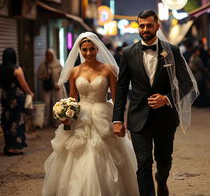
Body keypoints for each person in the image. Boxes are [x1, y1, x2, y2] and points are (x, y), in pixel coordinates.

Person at [113, 10, 198, 196]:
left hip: (165, 117)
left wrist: (167, 98)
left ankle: (161, 179)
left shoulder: (172, 51)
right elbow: (121, 87)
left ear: (157, 26)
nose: (145, 29)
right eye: (141, 25)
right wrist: (117, 119)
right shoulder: (127, 53)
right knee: (143, 163)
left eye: (149, 25)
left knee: (164, 159)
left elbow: (187, 83)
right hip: (138, 117)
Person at [42, 32, 139, 196]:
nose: (88, 53)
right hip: (81, 117)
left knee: (103, 154)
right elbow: (72, 98)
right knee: (78, 156)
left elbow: (117, 99)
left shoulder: (108, 69)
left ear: (97, 49)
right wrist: (66, 115)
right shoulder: (74, 71)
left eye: (92, 49)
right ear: (80, 50)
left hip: (103, 115)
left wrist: (119, 121)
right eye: (85, 50)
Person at [0, 48, 34, 156]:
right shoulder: (16, 69)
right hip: (16, 98)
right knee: (16, 121)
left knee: (6, 121)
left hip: (5, 97)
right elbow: (23, 84)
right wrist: (30, 92)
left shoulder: (1, 68)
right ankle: (13, 148)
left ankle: (8, 146)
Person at [37, 49, 66, 127]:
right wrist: (44, 77)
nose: (49, 57)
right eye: (47, 55)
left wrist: (59, 84)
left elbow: (63, 76)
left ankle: (57, 122)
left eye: (50, 55)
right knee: (47, 104)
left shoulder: (58, 64)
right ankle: (46, 121)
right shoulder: (43, 65)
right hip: (47, 88)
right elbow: (38, 76)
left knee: (57, 104)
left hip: (57, 87)